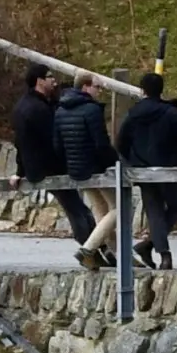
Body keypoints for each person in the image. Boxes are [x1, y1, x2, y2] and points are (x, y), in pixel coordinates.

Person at [11, 65, 88, 247]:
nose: (54, 80)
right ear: (39, 81)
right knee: (77, 210)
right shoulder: (38, 109)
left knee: (77, 208)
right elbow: (51, 140)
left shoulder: (28, 105)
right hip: (50, 167)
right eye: (50, 77)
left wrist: (20, 170)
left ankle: (93, 247)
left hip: (37, 167)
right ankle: (91, 247)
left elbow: (19, 142)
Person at [123, 65, 177, 268]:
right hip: (169, 169)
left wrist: (133, 160)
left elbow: (121, 141)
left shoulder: (133, 115)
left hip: (143, 170)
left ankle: (161, 252)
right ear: (161, 89)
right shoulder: (171, 113)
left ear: (142, 91)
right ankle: (152, 247)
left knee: (154, 211)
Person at [53, 70, 118, 264]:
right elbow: (101, 143)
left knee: (100, 208)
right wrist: (113, 162)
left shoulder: (60, 110)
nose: (100, 91)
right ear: (85, 87)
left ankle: (114, 252)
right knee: (119, 208)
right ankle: (88, 248)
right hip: (96, 168)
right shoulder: (92, 110)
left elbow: (58, 145)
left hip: (76, 169)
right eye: (97, 87)